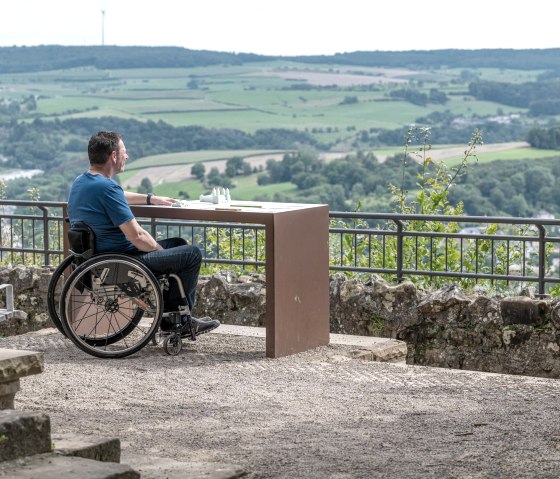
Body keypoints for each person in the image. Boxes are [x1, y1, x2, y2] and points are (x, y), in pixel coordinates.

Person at [67, 130, 220, 337]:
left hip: (96, 260)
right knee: (191, 253)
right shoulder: (107, 188)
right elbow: (136, 236)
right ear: (113, 156)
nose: (126, 156)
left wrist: (150, 199)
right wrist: (157, 251)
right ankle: (180, 322)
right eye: (124, 152)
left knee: (177, 243)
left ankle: (171, 318)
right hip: (120, 262)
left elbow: (119, 195)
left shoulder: (83, 182)